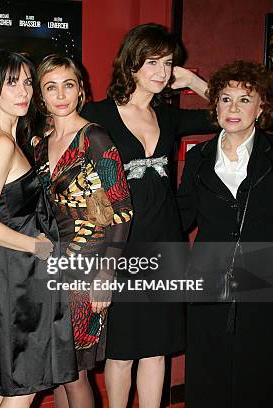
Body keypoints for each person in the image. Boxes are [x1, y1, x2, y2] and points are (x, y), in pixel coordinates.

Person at [82, 23, 215, 407]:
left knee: (158, 349)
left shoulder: (168, 116)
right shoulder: (98, 115)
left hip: (166, 245)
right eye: (152, 62)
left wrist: (190, 78)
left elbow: (225, 111)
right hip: (121, 248)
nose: (161, 71)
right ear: (132, 64)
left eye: (168, 63)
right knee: (122, 352)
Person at [0, 50, 77, 408]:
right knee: (25, 380)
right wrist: (37, 247)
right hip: (12, 275)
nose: (23, 91)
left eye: (28, 82)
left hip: (3, 272)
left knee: (2, 381)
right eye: (11, 82)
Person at [178, 60, 273, 408]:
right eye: (226, 99)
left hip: (266, 273)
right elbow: (182, 214)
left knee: (260, 370)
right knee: (208, 368)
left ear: (261, 106)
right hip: (208, 273)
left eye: (244, 99)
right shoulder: (199, 158)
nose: (234, 108)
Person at [33, 54, 133, 408]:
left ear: (80, 92)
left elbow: (119, 210)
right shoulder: (41, 143)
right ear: (41, 95)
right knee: (56, 369)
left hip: (88, 263)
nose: (60, 94)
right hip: (52, 264)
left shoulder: (94, 138)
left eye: (68, 85)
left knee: (75, 372)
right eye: (51, 86)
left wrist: (106, 273)